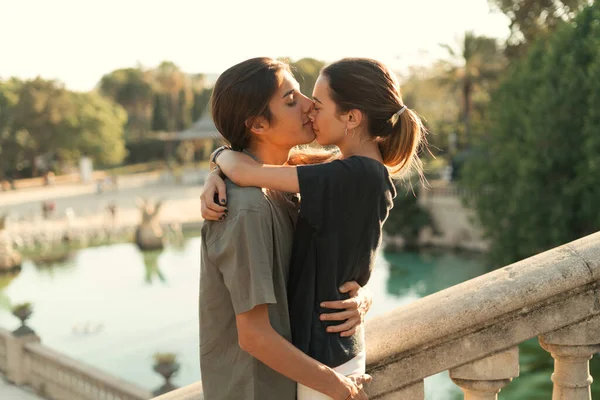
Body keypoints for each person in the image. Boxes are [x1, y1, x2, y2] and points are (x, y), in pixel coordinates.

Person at [207, 58, 427, 400]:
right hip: (307, 370)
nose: (309, 108)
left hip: (323, 359)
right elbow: (254, 334)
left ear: (352, 118)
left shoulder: (342, 176)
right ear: (259, 124)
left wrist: (362, 297)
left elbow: (248, 171)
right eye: (293, 101)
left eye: (314, 101)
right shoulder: (252, 206)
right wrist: (218, 164)